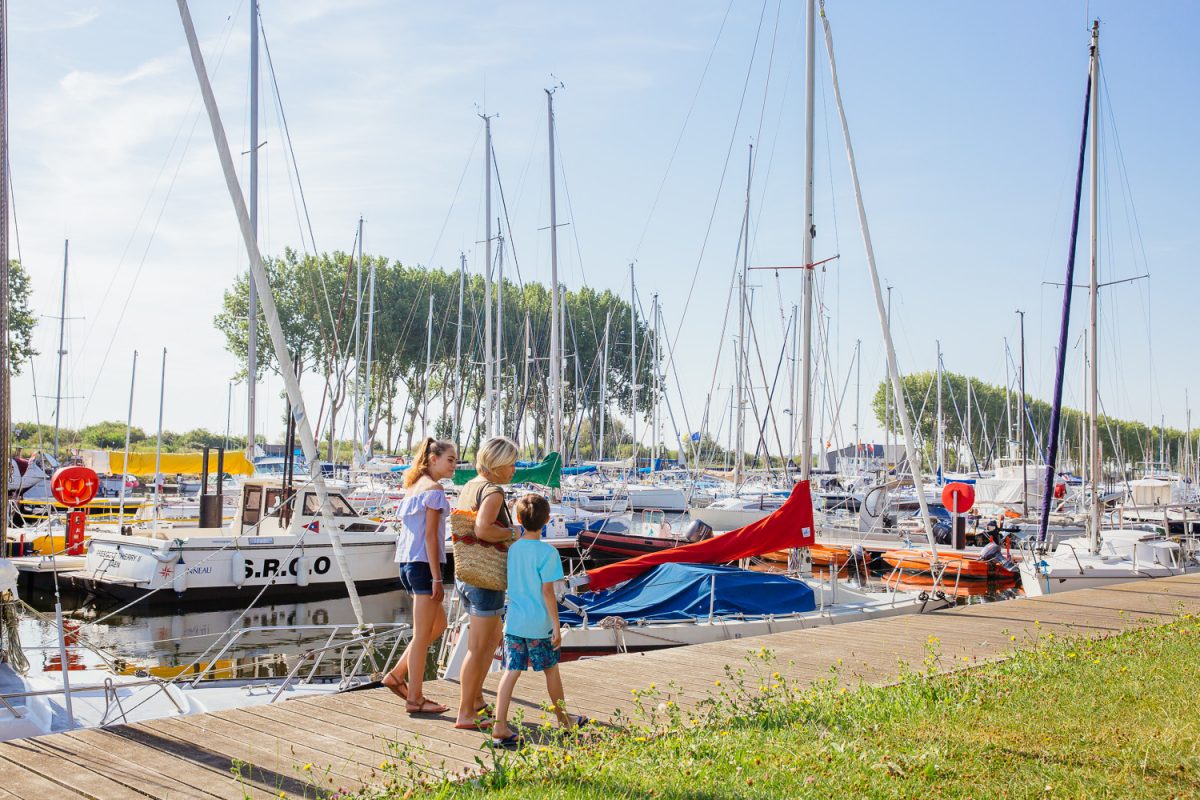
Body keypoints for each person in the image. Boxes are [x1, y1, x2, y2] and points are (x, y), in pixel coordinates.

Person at [490, 493, 586, 747]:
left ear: (519, 519)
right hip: (539, 624)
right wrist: (556, 624)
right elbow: (548, 592)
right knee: (551, 671)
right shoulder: (549, 553)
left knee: (511, 672)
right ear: (547, 521)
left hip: (515, 623)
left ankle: (500, 724)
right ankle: (564, 721)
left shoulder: (512, 550)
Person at [382, 438, 457, 715]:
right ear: (432, 459)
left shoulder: (413, 487)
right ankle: (414, 698)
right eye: (450, 459)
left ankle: (397, 674)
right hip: (424, 566)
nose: (454, 465)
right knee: (424, 631)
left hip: (406, 563)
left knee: (438, 625)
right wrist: (438, 579)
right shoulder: (434, 490)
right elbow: (430, 537)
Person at [453, 436, 520, 731]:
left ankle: (477, 700)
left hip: (466, 573)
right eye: (512, 464)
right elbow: (482, 530)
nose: (515, 469)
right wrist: (513, 533)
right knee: (479, 648)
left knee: (488, 640)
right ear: (498, 465)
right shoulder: (493, 492)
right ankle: (465, 712)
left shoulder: (471, 486)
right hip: (486, 579)